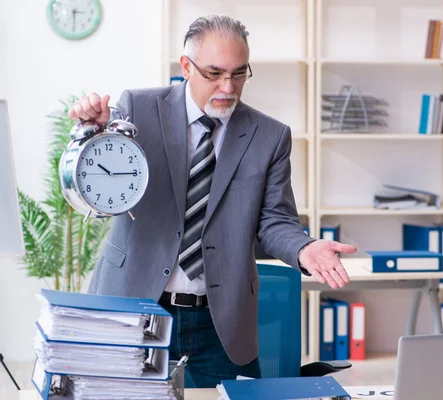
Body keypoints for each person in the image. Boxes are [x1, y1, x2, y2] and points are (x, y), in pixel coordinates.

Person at [67, 14, 357, 388]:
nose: (227, 86)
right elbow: (96, 174)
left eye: (238, 74)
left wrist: (303, 249)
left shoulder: (269, 136)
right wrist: (94, 129)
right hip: (135, 306)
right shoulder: (138, 109)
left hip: (219, 325)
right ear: (186, 67)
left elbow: (273, 222)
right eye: (214, 73)